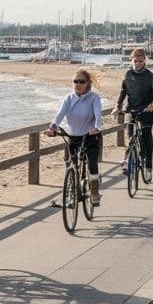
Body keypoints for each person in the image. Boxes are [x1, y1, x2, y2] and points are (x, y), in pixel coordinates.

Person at [46, 67, 103, 206]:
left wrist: (96, 127)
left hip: (90, 135)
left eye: (81, 81)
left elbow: (98, 115)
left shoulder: (94, 98)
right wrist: (52, 127)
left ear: (88, 83)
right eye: (75, 81)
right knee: (71, 164)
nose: (78, 84)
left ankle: (94, 193)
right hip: (73, 136)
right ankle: (73, 192)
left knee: (91, 163)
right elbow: (60, 114)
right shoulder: (68, 98)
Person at [115, 47, 153, 173]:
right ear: (132, 60)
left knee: (146, 135)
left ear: (144, 61)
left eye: (140, 61)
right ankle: (128, 160)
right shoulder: (128, 75)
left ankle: (148, 164)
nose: (138, 64)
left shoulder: (152, 77)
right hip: (132, 111)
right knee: (131, 137)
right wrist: (118, 105)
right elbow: (123, 92)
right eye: (135, 61)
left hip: (147, 111)